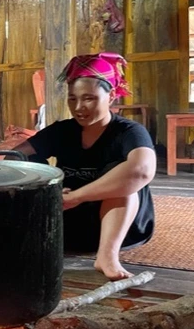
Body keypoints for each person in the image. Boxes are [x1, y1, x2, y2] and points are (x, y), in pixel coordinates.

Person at [14, 53, 156, 281]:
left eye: (89, 98)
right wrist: (47, 191)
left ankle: (107, 256)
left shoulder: (128, 132)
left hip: (119, 226)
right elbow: (9, 158)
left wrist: (78, 196)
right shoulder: (62, 130)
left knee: (125, 179)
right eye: (72, 99)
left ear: (110, 96)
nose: (79, 107)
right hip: (66, 221)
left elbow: (142, 171)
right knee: (23, 165)